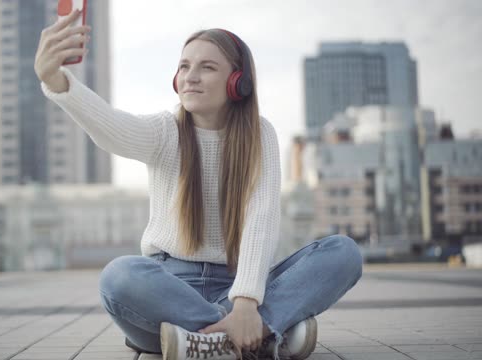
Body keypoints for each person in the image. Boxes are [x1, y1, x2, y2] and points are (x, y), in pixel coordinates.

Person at [34, 9, 363, 360]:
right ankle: (259, 336)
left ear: (238, 83)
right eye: (184, 66)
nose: (190, 77)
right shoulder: (165, 131)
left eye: (207, 67)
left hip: (238, 287)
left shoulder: (260, 134)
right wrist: (55, 79)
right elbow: (110, 127)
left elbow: (261, 220)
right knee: (119, 276)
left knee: (343, 253)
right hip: (167, 292)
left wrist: (247, 303)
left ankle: (214, 340)